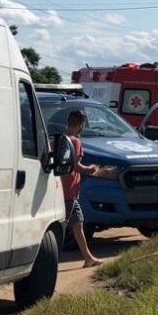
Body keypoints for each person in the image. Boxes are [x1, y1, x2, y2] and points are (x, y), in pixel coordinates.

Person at [63, 110, 103, 268]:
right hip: (69, 192)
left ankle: (88, 258)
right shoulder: (75, 142)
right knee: (64, 227)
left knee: (78, 225)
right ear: (80, 124)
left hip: (65, 190)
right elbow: (75, 166)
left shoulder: (60, 139)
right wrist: (90, 169)